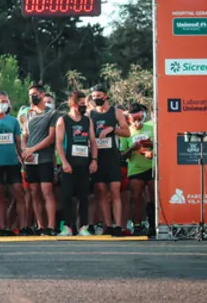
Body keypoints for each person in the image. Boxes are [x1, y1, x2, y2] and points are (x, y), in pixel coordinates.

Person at [87, 85, 132, 237]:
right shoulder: (90, 114)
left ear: (106, 96)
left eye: (99, 95)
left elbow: (127, 132)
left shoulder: (116, 112)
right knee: (101, 191)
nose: (96, 99)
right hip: (97, 156)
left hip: (112, 156)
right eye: (93, 96)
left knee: (115, 191)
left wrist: (113, 130)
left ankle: (118, 225)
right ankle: (107, 225)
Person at [55, 91, 98, 236]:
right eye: (81, 105)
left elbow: (92, 141)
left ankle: (83, 226)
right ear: (73, 104)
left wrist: (94, 160)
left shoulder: (87, 121)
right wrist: (64, 162)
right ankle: (67, 226)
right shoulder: (63, 120)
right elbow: (59, 143)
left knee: (83, 196)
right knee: (67, 195)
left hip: (84, 164)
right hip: (68, 164)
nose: (84, 107)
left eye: (85, 104)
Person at [21, 84, 60, 235]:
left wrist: (33, 149)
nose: (33, 97)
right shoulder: (27, 115)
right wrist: (25, 150)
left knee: (47, 191)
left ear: (43, 94)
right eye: (31, 94)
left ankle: (51, 226)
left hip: (45, 158)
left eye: (36, 94)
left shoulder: (52, 114)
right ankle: (40, 226)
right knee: (34, 192)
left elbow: (51, 138)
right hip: (30, 160)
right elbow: (25, 136)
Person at [0, 91, 24, 237]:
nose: (5, 104)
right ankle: (1, 227)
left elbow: (18, 143)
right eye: (2, 101)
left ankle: (23, 226)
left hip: (13, 163)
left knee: (19, 193)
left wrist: (23, 160)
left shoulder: (13, 121)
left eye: (6, 101)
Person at [120, 103, 155, 236]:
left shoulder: (152, 127)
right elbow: (122, 155)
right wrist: (132, 149)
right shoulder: (126, 132)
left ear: (143, 116)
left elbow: (162, 144)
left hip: (151, 167)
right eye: (134, 119)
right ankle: (137, 225)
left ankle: (153, 224)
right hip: (135, 169)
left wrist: (152, 146)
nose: (137, 122)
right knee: (136, 197)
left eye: (139, 119)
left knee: (153, 196)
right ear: (129, 119)